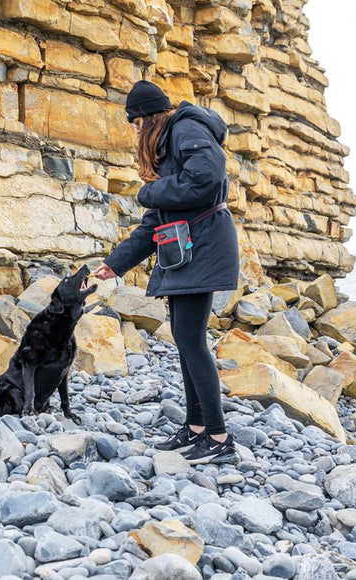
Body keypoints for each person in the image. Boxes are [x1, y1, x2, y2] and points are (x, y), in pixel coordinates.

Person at [94, 80, 240, 465]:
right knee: (183, 336)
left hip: (204, 245)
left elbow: (206, 177)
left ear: (148, 117)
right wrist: (115, 264)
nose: (134, 131)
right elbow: (153, 224)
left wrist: (148, 192)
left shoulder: (185, 128)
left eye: (135, 123)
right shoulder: (170, 142)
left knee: (191, 339)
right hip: (188, 248)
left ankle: (219, 437)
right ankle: (196, 428)